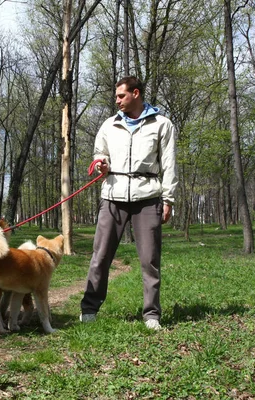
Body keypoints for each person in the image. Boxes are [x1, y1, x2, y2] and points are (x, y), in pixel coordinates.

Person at [80, 76, 178, 330]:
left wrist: (168, 199)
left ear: (136, 93)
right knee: (100, 256)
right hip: (112, 197)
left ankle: (151, 315)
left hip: (148, 199)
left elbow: (169, 164)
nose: (117, 101)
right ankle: (89, 309)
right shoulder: (109, 125)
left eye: (121, 96)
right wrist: (101, 163)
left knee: (150, 260)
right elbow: (99, 152)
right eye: (116, 96)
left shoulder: (162, 125)